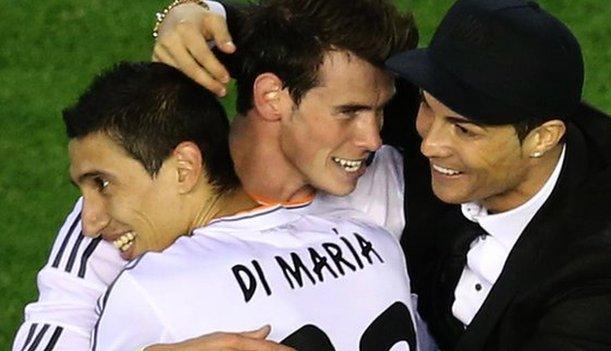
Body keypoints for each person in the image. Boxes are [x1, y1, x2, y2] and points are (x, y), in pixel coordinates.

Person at [12, 1, 419, 350]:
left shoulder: (390, 180)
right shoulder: (130, 202)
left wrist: (206, 11)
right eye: (348, 112)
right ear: (270, 98)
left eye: (379, 111)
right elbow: (55, 322)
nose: (373, 138)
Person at [385, 0, 611, 350]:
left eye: (464, 130)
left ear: (542, 138)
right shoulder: (451, 115)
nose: (430, 146)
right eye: (426, 105)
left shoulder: (603, 273)